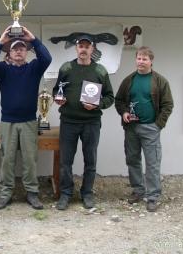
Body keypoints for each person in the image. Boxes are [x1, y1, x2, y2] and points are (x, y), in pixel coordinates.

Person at [0, 26, 52, 210]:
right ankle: (6, 193)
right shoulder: (2, 70)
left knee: (30, 159)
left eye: (22, 48)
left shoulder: (34, 68)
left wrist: (33, 39)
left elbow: (47, 58)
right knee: (7, 159)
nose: (18, 51)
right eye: (15, 49)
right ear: (10, 52)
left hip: (29, 121)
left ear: (26, 52)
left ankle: (32, 193)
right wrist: (1, 41)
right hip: (8, 122)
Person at [53, 35, 114, 210]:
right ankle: (66, 193)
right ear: (76, 48)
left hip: (91, 122)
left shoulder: (100, 71)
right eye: (81, 46)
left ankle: (87, 193)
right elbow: (57, 89)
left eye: (87, 46)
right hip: (68, 121)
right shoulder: (66, 68)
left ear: (92, 50)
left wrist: (97, 105)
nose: (83, 49)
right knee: (66, 161)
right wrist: (58, 99)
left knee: (90, 160)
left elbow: (110, 97)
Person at [115, 46, 173, 212]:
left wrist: (158, 125)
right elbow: (119, 100)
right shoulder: (129, 80)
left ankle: (153, 196)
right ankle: (138, 190)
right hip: (131, 128)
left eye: (144, 59)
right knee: (132, 159)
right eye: (139, 58)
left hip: (150, 128)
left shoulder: (160, 81)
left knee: (152, 162)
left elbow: (168, 104)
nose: (141, 61)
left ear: (151, 61)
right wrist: (124, 112)